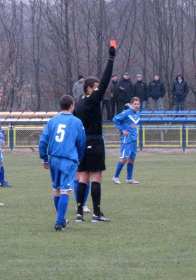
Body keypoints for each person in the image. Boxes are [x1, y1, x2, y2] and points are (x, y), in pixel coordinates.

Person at [72, 46, 116, 223]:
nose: (100, 90)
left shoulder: (78, 102)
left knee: (83, 177)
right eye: (96, 88)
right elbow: (105, 81)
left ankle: (79, 214)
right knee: (96, 176)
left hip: (82, 142)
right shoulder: (91, 100)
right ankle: (97, 214)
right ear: (89, 88)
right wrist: (111, 59)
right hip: (94, 140)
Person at [39, 95, 86, 231]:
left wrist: (44, 158)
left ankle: (61, 219)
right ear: (72, 105)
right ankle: (59, 222)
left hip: (54, 158)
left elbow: (43, 141)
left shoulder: (52, 121)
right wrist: (79, 158)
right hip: (68, 158)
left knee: (57, 190)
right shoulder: (77, 122)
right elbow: (81, 143)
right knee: (65, 190)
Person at [112, 97, 141, 184]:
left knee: (132, 159)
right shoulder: (126, 112)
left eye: (138, 104)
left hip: (134, 139)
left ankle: (129, 178)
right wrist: (122, 130)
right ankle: (115, 177)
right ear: (131, 104)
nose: (136, 105)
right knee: (124, 158)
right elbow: (115, 119)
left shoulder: (138, 113)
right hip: (127, 139)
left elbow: (133, 125)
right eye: (135, 104)